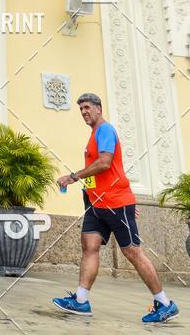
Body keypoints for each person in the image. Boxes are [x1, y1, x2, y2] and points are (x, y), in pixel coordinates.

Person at [52, 92, 180, 324]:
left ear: (99, 108)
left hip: (114, 203)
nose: (84, 112)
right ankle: (81, 301)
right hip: (96, 203)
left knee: (132, 252)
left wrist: (73, 176)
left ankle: (165, 303)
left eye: (88, 107)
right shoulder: (94, 134)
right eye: (81, 109)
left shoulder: (105, 131)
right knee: (89, 245)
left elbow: (105, 163)